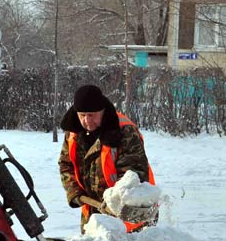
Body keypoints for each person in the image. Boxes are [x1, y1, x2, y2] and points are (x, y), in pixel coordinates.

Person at [58, 84, 155, 231]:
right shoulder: (74, 133)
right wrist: (74, 191)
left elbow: (134, 176)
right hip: (92, 215)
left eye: (92, 115)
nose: (87, 120)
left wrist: (113, 203)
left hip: (129, 217)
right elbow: (66, 165)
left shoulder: (124, 132)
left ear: (103, 111)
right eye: (82, 115)